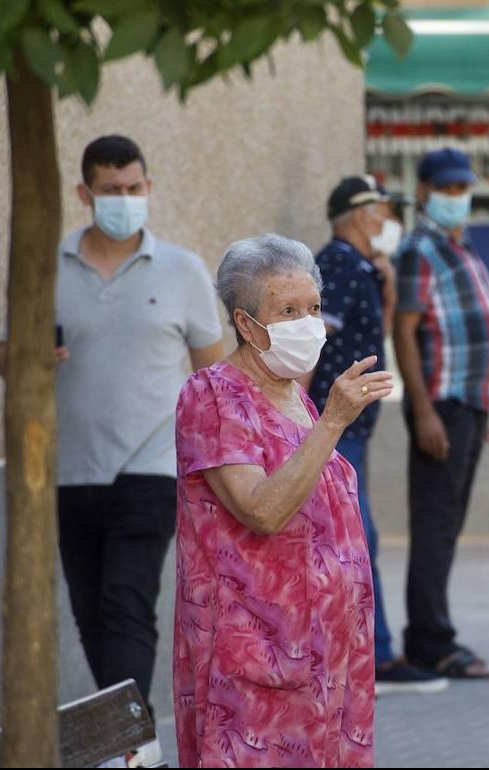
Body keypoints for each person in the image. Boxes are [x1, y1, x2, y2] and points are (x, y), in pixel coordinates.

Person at [0, 134, 224, 706]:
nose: (125, 198)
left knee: (126, 601)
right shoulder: (46, 267)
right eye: (111, 190)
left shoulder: (182, 269)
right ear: (84, 193)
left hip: (151, 466)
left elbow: (213, 375)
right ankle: (121, 735)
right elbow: (4, 357)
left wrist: (216, 466)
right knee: (91, 613)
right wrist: (27, 355)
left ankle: (129, 744)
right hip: (68, 468)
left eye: (133, 188)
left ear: (148, 188)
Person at [173, 234, 392, 767]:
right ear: (247, 324)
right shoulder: (214, 396)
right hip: (258, 660)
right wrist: (337, 420)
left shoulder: (296, 396)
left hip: (328, 661)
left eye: (313, 307)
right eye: (288, 310)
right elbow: (264, 510)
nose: (307, 322)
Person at [304, 175, 447, 694]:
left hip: (350, 429)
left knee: (359, 539)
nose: (390, 222)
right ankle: (375, 658)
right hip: (334, 429)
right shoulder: (340, 264)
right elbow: (314, 345)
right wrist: (301, 423)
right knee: (355, 540)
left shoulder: (362, 267)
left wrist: (385, 290)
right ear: (362, 215)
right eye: (384, 212)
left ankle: (372, 653)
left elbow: (371, 333)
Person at [392, 147, 489, 680]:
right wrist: (423, 412)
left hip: (468, 406)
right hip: (440, 406)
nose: (456, 198)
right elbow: (405, 329)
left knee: (448, 525)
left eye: (463, 188)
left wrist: (481, 407)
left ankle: (430, 634)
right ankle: (431, 642)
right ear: (422, 191)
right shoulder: (419, 249)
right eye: (446, 188)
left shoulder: (458, 247)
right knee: (436, 526)